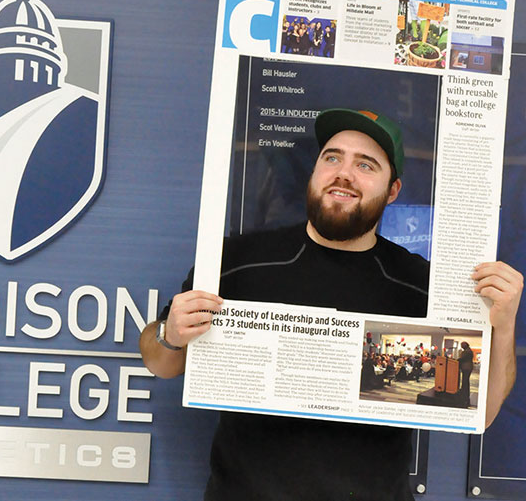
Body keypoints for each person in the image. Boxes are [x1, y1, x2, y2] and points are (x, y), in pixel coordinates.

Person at [140, 108, 523, 501]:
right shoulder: (236, 260)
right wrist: (169, 335)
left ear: (392, 190)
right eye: (333, 157)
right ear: (315, 171)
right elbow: (160, 362)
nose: (344, 173)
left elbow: (483, 413)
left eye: (366, 164)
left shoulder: (420, 286)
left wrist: (505, 324)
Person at [458, 341, 475, 406]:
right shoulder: (468, 350)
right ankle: (464, 392)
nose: (461, 346)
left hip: (466, 368)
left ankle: (464, 394)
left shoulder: (467, 351)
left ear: (466, 345)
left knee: (465, 381)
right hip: (467, 367)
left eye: (462, 345)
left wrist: (457, 360)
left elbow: (463, 359)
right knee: (465, 381)